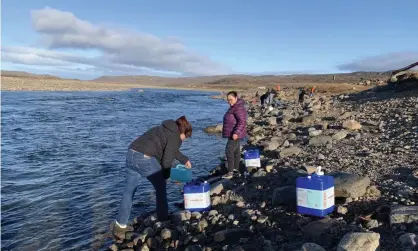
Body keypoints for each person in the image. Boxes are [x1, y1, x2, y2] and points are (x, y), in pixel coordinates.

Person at [112, 116, 192, 239]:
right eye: (185, 138)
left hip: (131, 153)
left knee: (129, 191)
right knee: (161, 186)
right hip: (144, 158)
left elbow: (171, 150)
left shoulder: (162, 128)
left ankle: (120, 226)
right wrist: (165, 175)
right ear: (183, 132)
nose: (184, 141)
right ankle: (163, 217)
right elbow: (167, 160)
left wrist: (184, 159)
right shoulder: (176, 137)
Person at [222, 91, 248, 179]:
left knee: (229, 151)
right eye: (228, 100)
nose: (229, 101)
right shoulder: (234, 107)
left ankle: (230, 172)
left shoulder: (238, 108)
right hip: (233, 133)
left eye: (231, 99)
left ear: (236, 98)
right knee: (236, 151)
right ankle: (236, 170)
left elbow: (242, 121)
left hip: (234, 133)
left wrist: (236, 132)